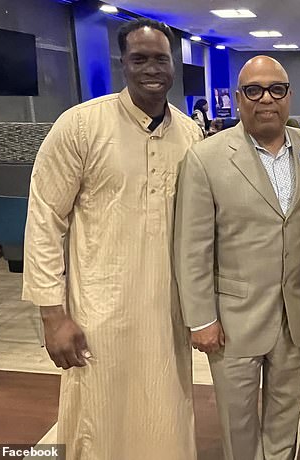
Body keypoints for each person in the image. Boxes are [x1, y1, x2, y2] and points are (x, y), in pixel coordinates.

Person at [22, 18, 203, 459]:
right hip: (99, 311)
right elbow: (45, 218)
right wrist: (53, 316)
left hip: (167, 309)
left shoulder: (190, 135)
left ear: (173, 63)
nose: (151, 68)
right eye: (139, 58)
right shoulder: (81, 126)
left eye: (160, 58)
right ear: (123, 62)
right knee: (98, 413)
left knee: (165, 410)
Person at [174, 55, 300, 460]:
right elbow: (192, 246)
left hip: (295, 317)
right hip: (233, 320)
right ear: (239, 99)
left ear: (289, 96)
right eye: (254, 91)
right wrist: (201, 318)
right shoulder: (205, 158)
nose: (266, 100)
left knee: (285, 417)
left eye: (276, 89)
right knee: (238, 425)